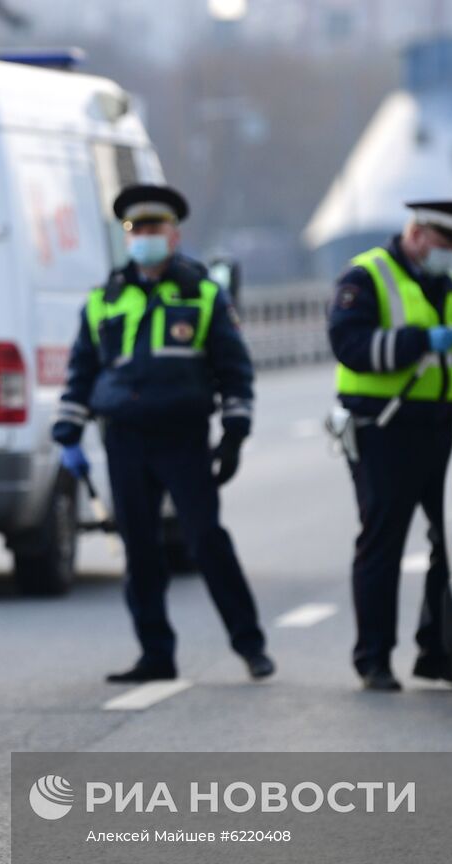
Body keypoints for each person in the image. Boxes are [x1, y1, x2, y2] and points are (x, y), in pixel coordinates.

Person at [52, 184, 274, 684]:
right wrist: (68, 427)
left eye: (155, 228)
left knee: (206, 541)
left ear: (174, 235)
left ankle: (250, 644)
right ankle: (156, 655)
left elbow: (233, 369)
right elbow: (82, 370)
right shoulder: (104, 299)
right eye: (136, 230)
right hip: (125, 438)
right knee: (140, 550)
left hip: (182, 436)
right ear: (126, 237)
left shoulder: (201, 294)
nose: (145, 237)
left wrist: (235, 432)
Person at [327, 200, 452, 691]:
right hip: (382, 429)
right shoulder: (366, 277)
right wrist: (419, 340)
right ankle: (374, 659)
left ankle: (436, 650)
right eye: (445, 243)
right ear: (419, 234)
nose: (450, 254)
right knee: (382, 543)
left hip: (441, 431)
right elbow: (351, 347)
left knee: (449, 543)